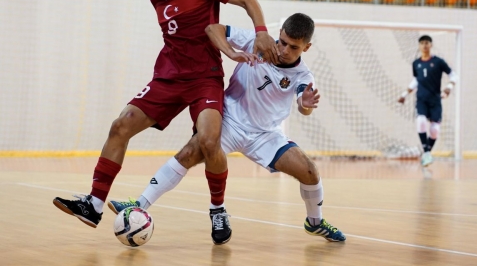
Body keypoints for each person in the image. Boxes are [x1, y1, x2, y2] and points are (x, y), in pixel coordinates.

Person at [53, 0, 278, 245]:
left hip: (205, 79)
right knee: (120, 126)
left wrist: (261, 30)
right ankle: (93, 204)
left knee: (210, 141)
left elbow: (248, 0)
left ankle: (218, 209)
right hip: (168, 78)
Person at [109, 13, 347, 243]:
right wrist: (233, 52)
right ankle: (139, 204)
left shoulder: (303, 75)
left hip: (266, 136)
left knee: (309, 171)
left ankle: (315, 223)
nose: (284, 50)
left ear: (306, 47)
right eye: (283, 42)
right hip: (230, 121)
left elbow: (303, 104)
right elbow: (214, 29)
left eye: (293, 47)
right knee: (188, 154)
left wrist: (305, 105)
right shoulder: (257, 42)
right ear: (279, 34)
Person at [398, 35, 458, 166]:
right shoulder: (416, 63)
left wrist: (448, 87)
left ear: (431, 45)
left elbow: (453, 75)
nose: (424, 45)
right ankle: (426, 152)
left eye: (427, 43)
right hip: (422, 99)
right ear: (419, 46)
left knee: (435, 130)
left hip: (435, 100)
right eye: (422, 43)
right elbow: (416, 80)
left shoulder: (438, 62)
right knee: (420, 121)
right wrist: (404, 94)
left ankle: (427, 153)